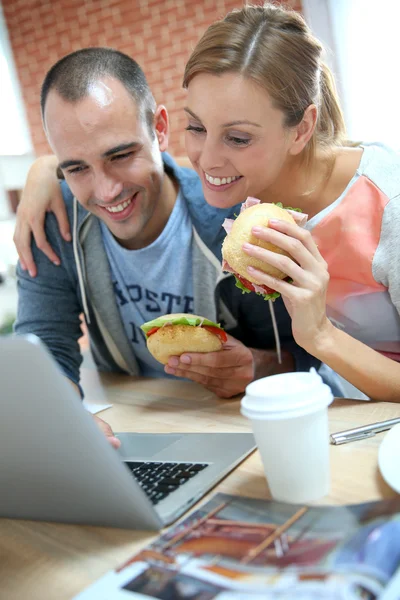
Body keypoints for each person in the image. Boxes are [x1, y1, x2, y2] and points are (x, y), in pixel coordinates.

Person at [14, 4, 400, 402]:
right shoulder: (247, 194)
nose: (207, 160)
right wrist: (49, 170)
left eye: (237, 138)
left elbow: (300, 355)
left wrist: (306, 343)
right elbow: (172, 171)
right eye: (196, 127)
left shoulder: (381, 205)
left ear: (301, 129)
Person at [13, 47, 318, 445]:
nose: (107, 190)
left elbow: (302, 355)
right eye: (76, 168)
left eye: (121, 155)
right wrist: (64, 418)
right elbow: (43, 346)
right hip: (129, 428)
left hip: (246, 431)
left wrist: (256, 368)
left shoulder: (233, 227)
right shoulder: (52, 224)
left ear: (159, 129)